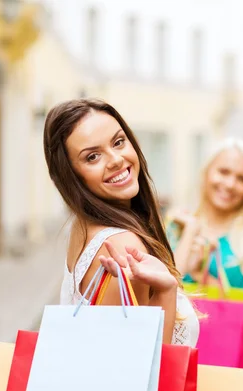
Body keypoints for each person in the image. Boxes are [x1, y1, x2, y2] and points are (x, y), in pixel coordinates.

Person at [44, 98, 198, 347]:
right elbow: (145, 365)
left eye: (118, 142)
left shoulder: (85, 227)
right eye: (92, 157)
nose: (115, 159)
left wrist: (189, 235)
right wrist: (167, 292)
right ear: (71, 176)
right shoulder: (120, 242)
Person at [165, 138, 243, 391]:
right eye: (223, 172)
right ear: (206, 173)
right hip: (178, 369)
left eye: (241, 178)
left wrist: (207, 273)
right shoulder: (176, 227)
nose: (229, 184)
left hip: (231, 372)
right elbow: (156, 300)